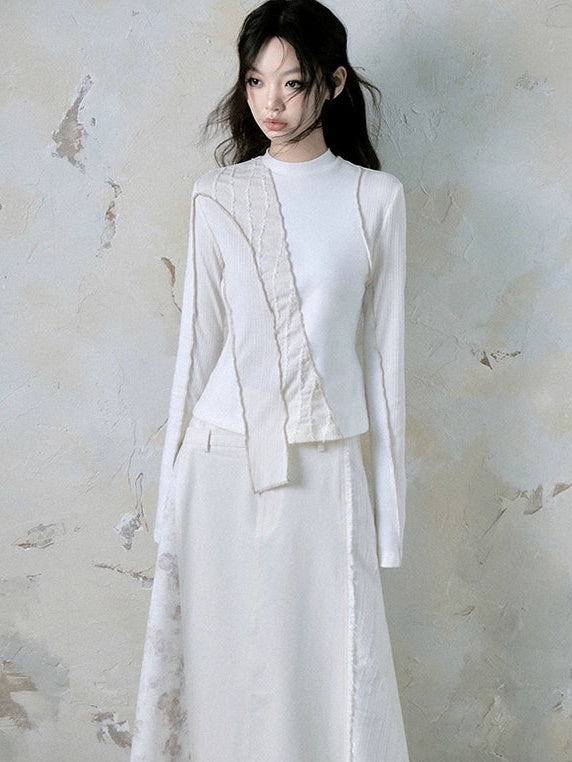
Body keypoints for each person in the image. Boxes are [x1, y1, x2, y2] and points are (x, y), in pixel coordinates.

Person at [130, 0, 409, 759]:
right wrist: (169, 500)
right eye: (255, 81)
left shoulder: (378, 199)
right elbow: (197, 347)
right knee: (222, 675)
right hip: (218, 463)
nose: (271, 102)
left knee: (322, 675)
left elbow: (384, 363)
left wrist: (388, 521)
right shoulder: (217, 195)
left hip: (326, 465)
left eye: (292, 81)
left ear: (334, 84)